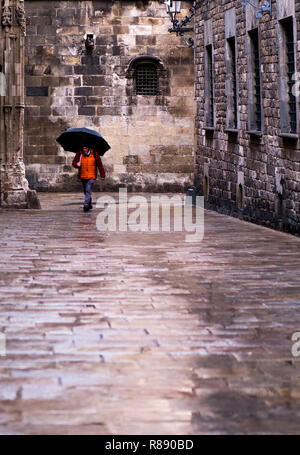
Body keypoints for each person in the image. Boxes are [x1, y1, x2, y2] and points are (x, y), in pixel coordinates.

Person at [72, 146, 105, 212]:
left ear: (89, 148)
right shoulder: (79, 153)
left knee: (88, 189)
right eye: (83, 148)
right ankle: (89, 203)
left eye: (86, 148)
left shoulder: (95, 153)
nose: (84, 150)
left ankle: (86, 205)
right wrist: (77, 164)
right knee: (86, 190)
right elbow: (74, 163)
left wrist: (102, 174)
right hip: (83, 175)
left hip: (91, 176)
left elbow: (99, 164)